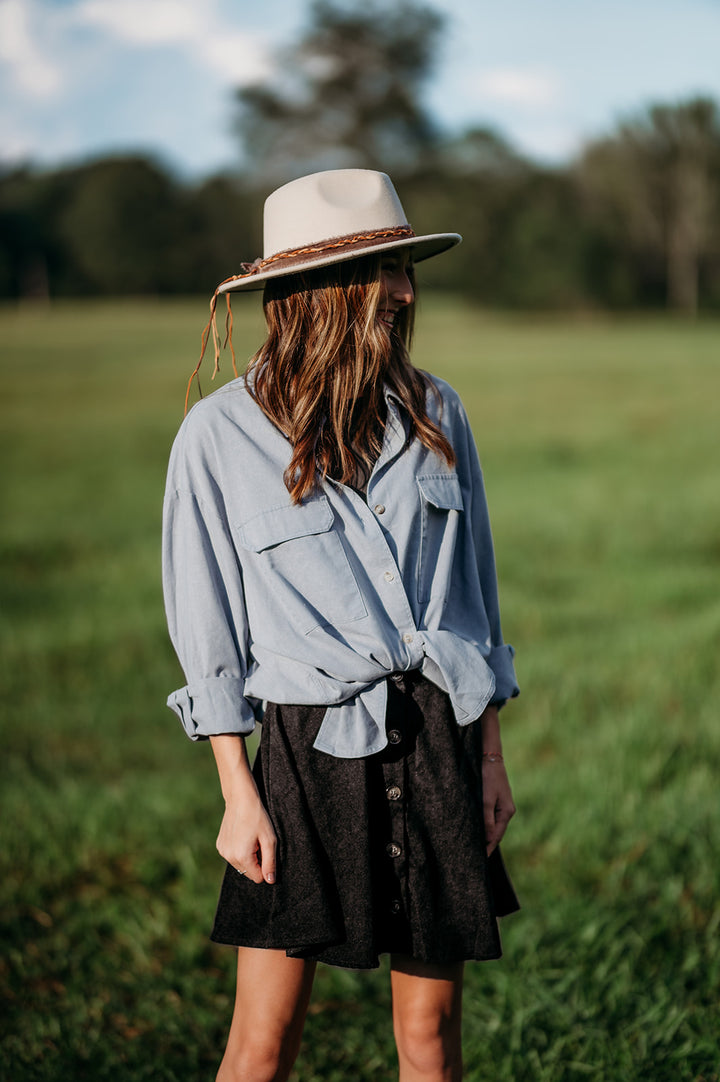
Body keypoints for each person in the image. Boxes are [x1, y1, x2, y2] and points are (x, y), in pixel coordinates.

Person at [162, 168, 519, 1082]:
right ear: (320, 294)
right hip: (303, 756)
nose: (406, 290)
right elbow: (207, 629)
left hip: (439, 740)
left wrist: (488, 760)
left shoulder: (441, 413)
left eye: (404, 267)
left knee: (431, 1038)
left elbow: (473, 603)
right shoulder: (217, 436)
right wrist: (237, 794)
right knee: (262, 1043)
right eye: (384, 270)